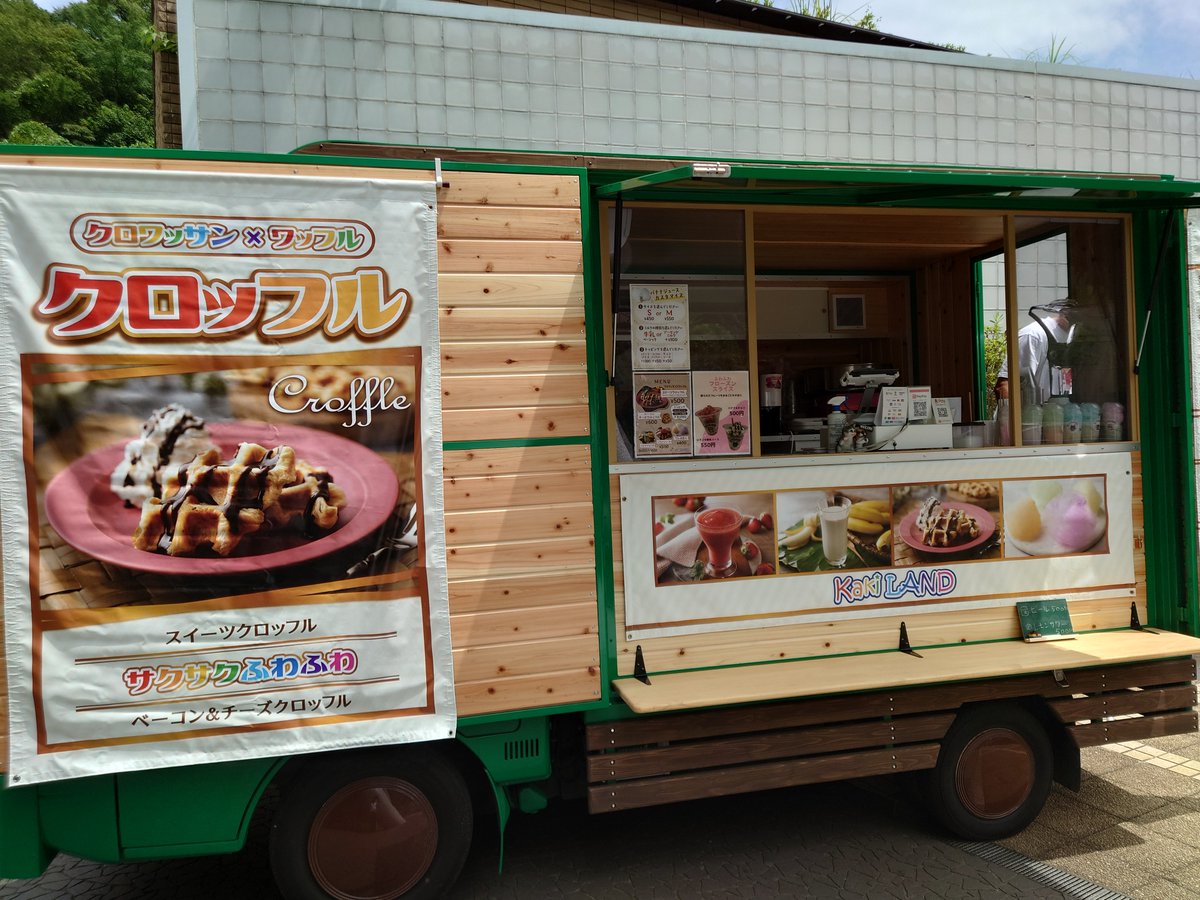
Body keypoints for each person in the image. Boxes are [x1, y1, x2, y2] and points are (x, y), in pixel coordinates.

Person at [994, 305, 1072, 405]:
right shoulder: (1033, 336)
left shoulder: (1074, 337)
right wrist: (1010, 419)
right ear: (1064, 313)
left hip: (1060, 417)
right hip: (1030, 418)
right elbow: (1005, 385)